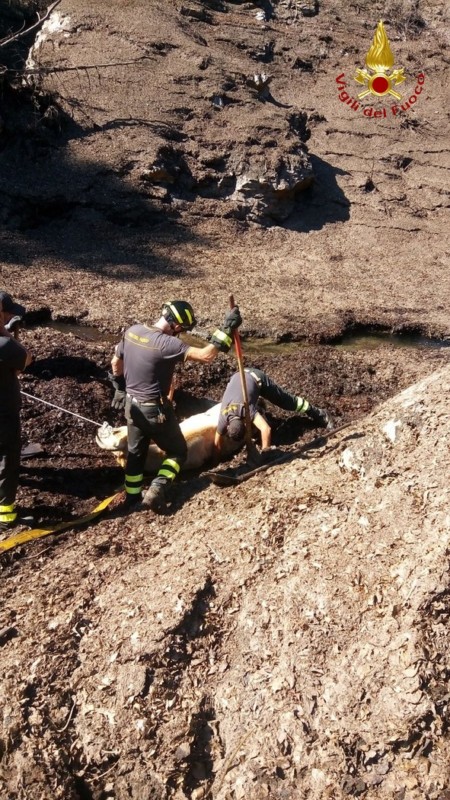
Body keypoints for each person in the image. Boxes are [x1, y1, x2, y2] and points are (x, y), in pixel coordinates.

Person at [110, 299, 242, 512]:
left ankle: (132, 498)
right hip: (156, 410)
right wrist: (226, 328)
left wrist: (118, 386)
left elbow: (116, 362)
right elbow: (206, 355)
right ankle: (158, 487)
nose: (181, 333)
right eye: (182, 329)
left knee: (136, 453)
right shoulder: (167, 344)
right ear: (177, 325)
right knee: (178, 452)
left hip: (131, 406)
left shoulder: (132, 331)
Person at [214, 367, 331, 457]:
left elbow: (266, 429)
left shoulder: (246, 409)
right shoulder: (223, 416)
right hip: (238, 377)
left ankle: (318, 413)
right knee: (253, 408)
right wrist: (216, 459)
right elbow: (217, 440)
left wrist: (265, 452)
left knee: (286, 402)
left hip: (255, 377)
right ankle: (260, 409)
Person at [0, 292, 34, 531]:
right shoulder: (5, 345)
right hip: (4, 412)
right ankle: (5, 515)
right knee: (7, 459)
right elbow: (26, 360)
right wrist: (4, 331)